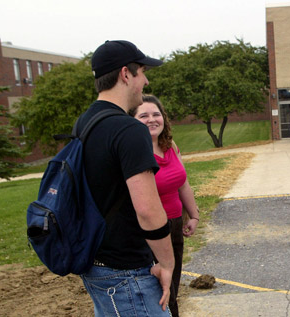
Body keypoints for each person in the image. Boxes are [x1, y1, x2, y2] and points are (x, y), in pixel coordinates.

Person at [77, 40, 174, 316]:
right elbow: (147, 209)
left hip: (95, 264)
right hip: (128, 274)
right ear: (125, 74)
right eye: (142, 71)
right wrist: (167, 263)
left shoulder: (84, 123)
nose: (145, 80)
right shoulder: (129, 130)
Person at [130, 95, 200, 317]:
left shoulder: (170, 146)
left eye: (156, 114)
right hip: (149, 231)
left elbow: (183, 183)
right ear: (132, 121)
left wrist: (194, 215)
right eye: (143, 115)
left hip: (175, 225)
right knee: (157, 291)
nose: (151, 119)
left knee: (173, 286)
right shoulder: (133, 152)